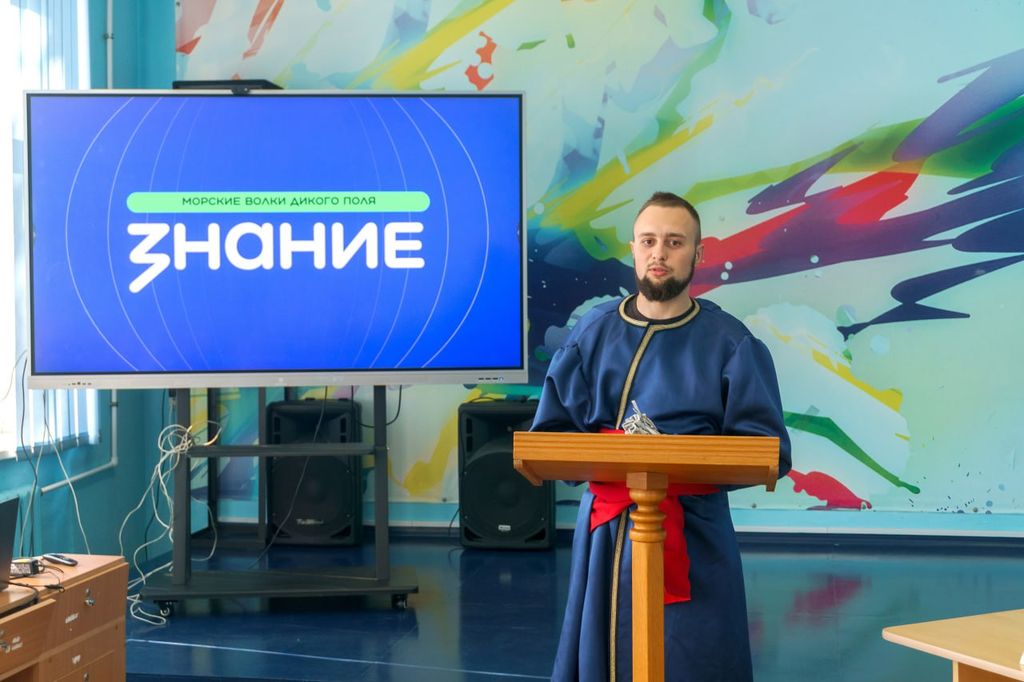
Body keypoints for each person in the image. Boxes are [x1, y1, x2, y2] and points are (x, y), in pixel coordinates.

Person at [532, 191, 792, 681]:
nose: (659, 253)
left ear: (698, 253)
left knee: (694, 656)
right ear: (633, 249)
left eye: (675, 242)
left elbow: (768, 448)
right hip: (608, 530)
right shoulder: (592, 332)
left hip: (695, 533)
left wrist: (675, 457)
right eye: (649, 241)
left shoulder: (730, 342)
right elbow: (551, 431)